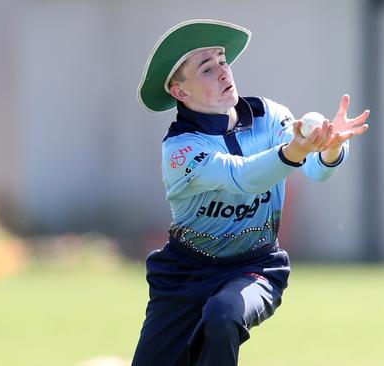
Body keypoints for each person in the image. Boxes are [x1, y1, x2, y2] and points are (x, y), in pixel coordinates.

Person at [132, 19, 369, 366]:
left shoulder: (269, 117)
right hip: (183, 278)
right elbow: (242, 177)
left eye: (223, 61)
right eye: (207, 68)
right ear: (180, 92)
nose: (224, 72)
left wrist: (329, 148)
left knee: (224, 313)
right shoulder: (180, 150)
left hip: (256, 265)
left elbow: (316, 170)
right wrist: (295, 152)